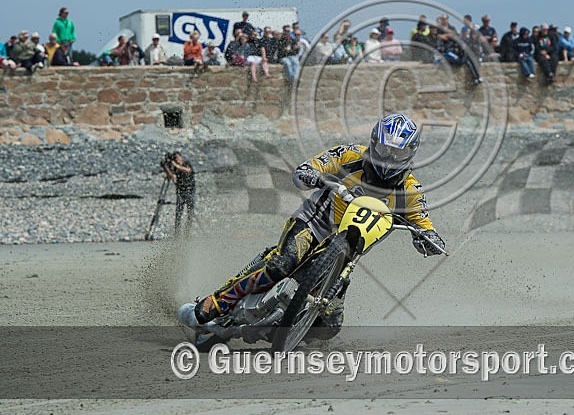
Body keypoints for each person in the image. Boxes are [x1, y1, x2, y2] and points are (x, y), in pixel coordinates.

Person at [191, 113, 445, 325]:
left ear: (410, 154)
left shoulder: (411, 191)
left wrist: (429, 240)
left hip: (347, 254)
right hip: (314, 224)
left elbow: (424, 223)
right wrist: (312, 175)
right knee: (283, 263)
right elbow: (308, 168)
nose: (388, 160)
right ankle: (217, 301)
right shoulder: (351, 155)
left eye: (396, 155)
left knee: (329, 326)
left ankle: (292, 323)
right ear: (373, 143)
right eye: (383, 150)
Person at [163, 151, 195, 236]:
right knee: (179, 213)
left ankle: (187, 232)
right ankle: (177, 233)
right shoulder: (175, 168)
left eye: (177, 158)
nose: (177, 160)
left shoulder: (186, 164)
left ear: (181, 157)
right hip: (180, 192)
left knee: (190, 213)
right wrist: (166, 167)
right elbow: (172, 177)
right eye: (175, 159)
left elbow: (188, 170)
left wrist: (176, 165)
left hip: (189, 191)